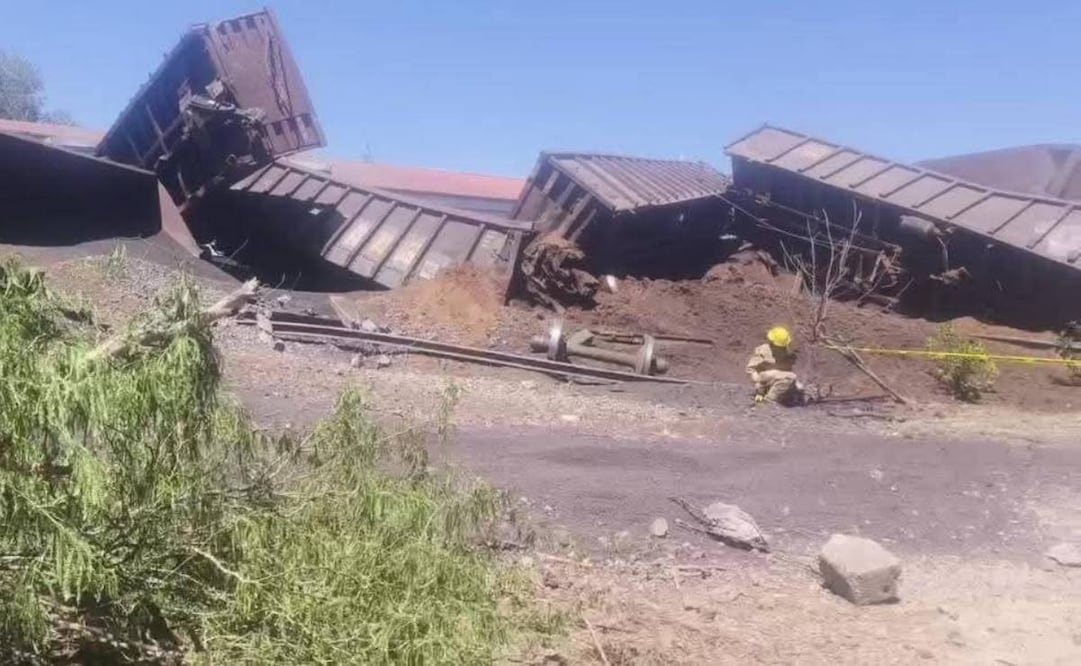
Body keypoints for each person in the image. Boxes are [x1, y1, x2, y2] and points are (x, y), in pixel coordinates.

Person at [746, 326, 802, 405]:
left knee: (799, 387)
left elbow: (788, 369)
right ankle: (769, 399)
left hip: (778, 378)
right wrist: (759, 383)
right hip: (765, 377)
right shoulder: (764, 350)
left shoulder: (788, 352)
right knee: (790, 377)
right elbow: (751, 368)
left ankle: (778, 395)